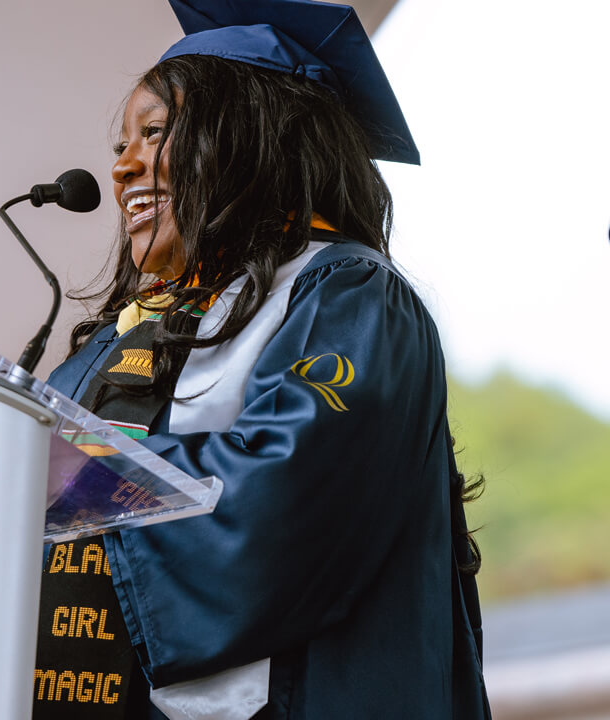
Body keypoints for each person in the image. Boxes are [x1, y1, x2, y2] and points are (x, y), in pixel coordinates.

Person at [32, 1, 490, 718]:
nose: (122, 168)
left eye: (154, 133)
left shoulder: (345, 297)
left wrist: (76, 474)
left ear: (252, 139)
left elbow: (280, 499)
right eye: (123, 142)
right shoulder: (122, 338)